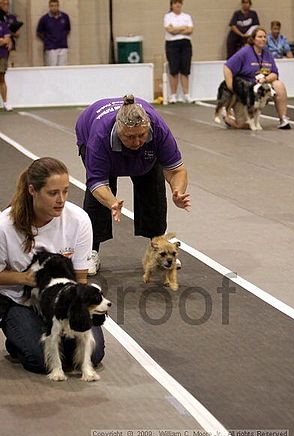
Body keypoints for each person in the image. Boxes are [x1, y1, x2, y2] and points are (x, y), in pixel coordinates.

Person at [0, 157, 105, 374]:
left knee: (93, 355)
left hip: (64, 300)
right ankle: (18, 338)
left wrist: (79, 306)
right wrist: (24, 278)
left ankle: (35, 336)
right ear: (32, 190)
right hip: (21, 300)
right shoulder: (5, 225)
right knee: (39, 360)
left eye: (65, 191)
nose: (61, 200)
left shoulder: (79, 220)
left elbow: (81, 278)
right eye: (53, 193)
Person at [75, 95, 190, 276]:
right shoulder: (99, 137)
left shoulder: (158, 129)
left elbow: (176, 169)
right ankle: (90, 251)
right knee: (98, 199)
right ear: (119, 130)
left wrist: (177, 190)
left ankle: (159, 247)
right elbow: (97, 182)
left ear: (148, 127)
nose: (136, 142)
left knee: (154, 189)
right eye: (130, 137)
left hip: (147, 155)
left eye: (141, 135)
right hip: (93, 134)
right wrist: (112, 202)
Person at [223, 27, 291, 130]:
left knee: (278, 84)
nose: (263, 39)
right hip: (245, 94)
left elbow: (275, 74)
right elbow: (227, 67)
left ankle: (283, 119)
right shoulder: (244, 52)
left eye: (264, 37)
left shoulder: (268, 54)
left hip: (260, 91)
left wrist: (266, 79)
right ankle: (227, 117)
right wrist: (231, 86)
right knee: (243, 125)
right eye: (260, 37)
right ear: (253, 39)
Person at [164, 0, 193, 104]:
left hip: (185, 44)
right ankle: (173, 95)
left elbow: (190, 30)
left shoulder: (187, 16)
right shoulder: (168, 17)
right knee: (174, 70)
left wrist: (176, 29)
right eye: (175, 3)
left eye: (179, 3)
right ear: (172, 5)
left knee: (185, 69)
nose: (178, 5)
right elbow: (170, 30)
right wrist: (183, 28)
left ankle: (186, 94)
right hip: (172, 44)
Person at [36, 0, 71, 66]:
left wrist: (62, 37)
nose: (54, 8)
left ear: (58, 6)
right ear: (49, 7)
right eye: (52, 6)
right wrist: (47, 40)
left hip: (63, 47)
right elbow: (39, 32)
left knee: (63, 70)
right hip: (50, 48)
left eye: (55, 6)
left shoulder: (65, 17)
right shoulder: (44, 19)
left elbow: (68, 29)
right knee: (51, 70)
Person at [0, 0, 12, 111]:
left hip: (2, 54)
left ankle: (5, 102)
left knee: (2, 78)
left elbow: (7, 39)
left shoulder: (2, 23)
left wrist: (3, 40)